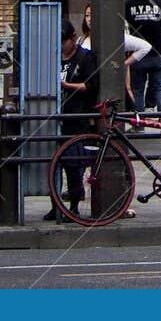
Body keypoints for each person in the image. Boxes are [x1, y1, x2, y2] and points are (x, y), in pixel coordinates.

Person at [47, 19, 99, 223]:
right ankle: (55, 206)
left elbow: (91, 85)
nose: (60, 46)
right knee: (52, 163)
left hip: (76, 116)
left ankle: (74, 206)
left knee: (73, 164)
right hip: (55, 115)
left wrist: (67, 85)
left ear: (73, 39)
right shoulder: (52, 57)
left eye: (63, 41)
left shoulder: (85, 58)